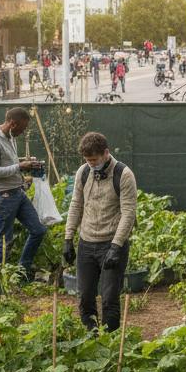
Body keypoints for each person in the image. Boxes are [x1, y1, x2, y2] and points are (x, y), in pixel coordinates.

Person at [63, 132, 137, 332]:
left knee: (109, 298)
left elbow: (128, 212)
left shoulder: (123, 174)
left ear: (106, 153)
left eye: (94, 160)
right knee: (85, 296)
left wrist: (116, 245)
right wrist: (68, 238)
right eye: (87, 160)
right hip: (86, 243)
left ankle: (111, 342)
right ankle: (91, 336)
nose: (91, 164)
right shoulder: (83, 172)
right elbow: (76, 204)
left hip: (111, 244)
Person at [0, 107, 48, 282]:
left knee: (38, 230)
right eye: (22, 128)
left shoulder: (10, 138)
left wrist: (25, 163)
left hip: (17, 192)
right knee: (5, 239)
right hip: (2, 196)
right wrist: (20, 167)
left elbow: (7, 162)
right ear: (12, 123)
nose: (23, 132)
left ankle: (21, 273)